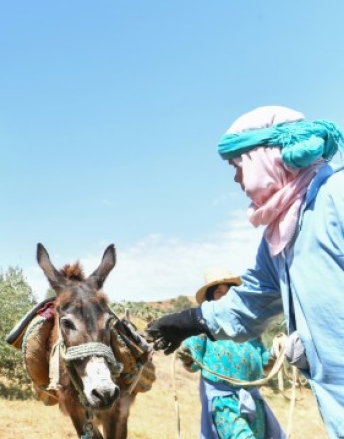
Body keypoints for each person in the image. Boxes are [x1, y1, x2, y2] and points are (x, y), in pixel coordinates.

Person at [147, 106, 344, 438]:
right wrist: (192, 321)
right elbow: (250, 303)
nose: (236, 178)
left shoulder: (336, 197)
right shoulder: (279, 239)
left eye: (238, 165)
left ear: (267, 157)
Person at [178, 268, 284, 439]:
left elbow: (265, 365)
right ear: (211, 297)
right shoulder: (204, 326)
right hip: (223, 402)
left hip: (253, 400)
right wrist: (186, 354)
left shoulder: (250, 328)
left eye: (228, 292)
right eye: (218, 292)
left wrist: (276, 352)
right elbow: (191, 362)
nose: (224, 296)